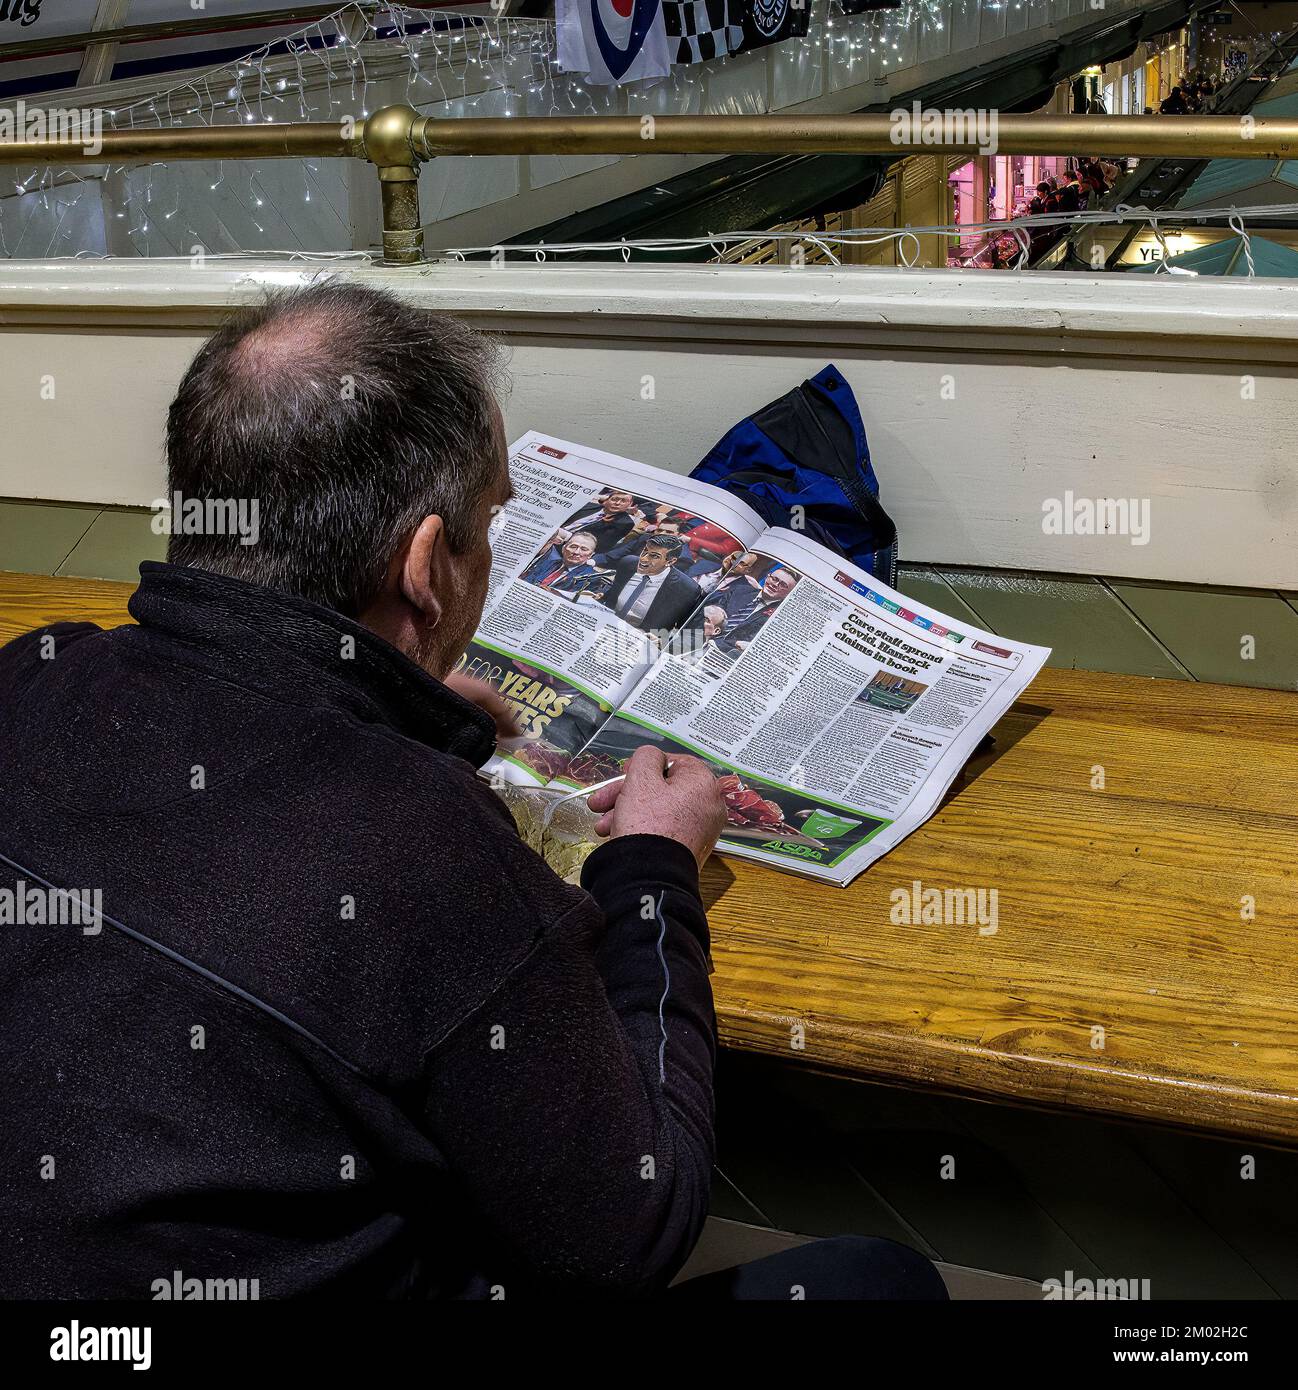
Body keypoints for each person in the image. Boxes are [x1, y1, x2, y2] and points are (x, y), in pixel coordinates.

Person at [0, 282, 946, 1302]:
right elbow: (631, 1228)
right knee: (878, 1279)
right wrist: (655, 870)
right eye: (492, 517)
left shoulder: (34, 675)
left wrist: (377, 708)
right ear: (424, 566)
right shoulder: (418, 840)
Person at [603, 535, 704, 632]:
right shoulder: (628, 563)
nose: (643, 559)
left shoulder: (687, 590)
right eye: (644, 551)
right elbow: (612, 596)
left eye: (654, 556)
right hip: (604, 625)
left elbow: (692, 636)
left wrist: (662, 641)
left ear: (670, 561)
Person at [565, 489, 642, 555]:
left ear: (630, 504)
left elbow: (599, 545)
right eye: (614, 499)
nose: (617, 503)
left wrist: (564, 535)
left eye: (623, 501)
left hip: (571, 546)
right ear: (607, 500)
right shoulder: (589, 506)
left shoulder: (624, 523)